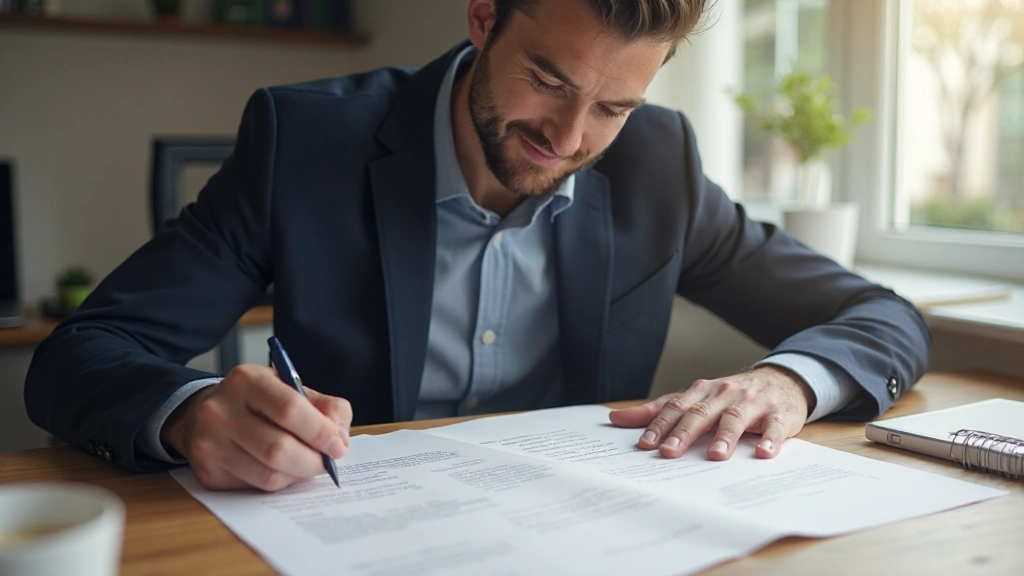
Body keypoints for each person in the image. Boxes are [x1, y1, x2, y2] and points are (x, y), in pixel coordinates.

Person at [25, 0, 930, 492]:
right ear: (483, 15)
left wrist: (787, 381)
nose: (571, 137)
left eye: (614, 107)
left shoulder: (661, 166)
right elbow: (81, 354)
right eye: (548, 80)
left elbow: (880, 315)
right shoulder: (305, 145)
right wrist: (186, 412)